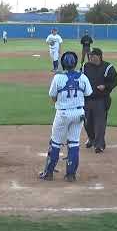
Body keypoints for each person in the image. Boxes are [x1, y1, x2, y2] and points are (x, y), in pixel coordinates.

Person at [39, 51, 93, 182]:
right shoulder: (83, 77)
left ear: (63, 63)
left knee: (56, 142)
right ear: (75, 63)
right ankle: (71, 175)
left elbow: (52, 95)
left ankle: (49, 173)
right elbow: (88, 94)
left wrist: (60, 101)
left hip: (62, 114)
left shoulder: (58, 78)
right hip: (79, 113)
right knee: (74, 143)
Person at [82, 48, 117, 153]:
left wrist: (105, 86)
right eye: (90, 56)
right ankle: (91, 139)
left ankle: (99, 145)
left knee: (100, 123)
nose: (90, 57)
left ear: (99, 56)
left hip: (101, 99)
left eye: (93, 55)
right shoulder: (85, 66)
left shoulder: (108, 67)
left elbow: (114, 81)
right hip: (87, 99)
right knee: (87, 123)